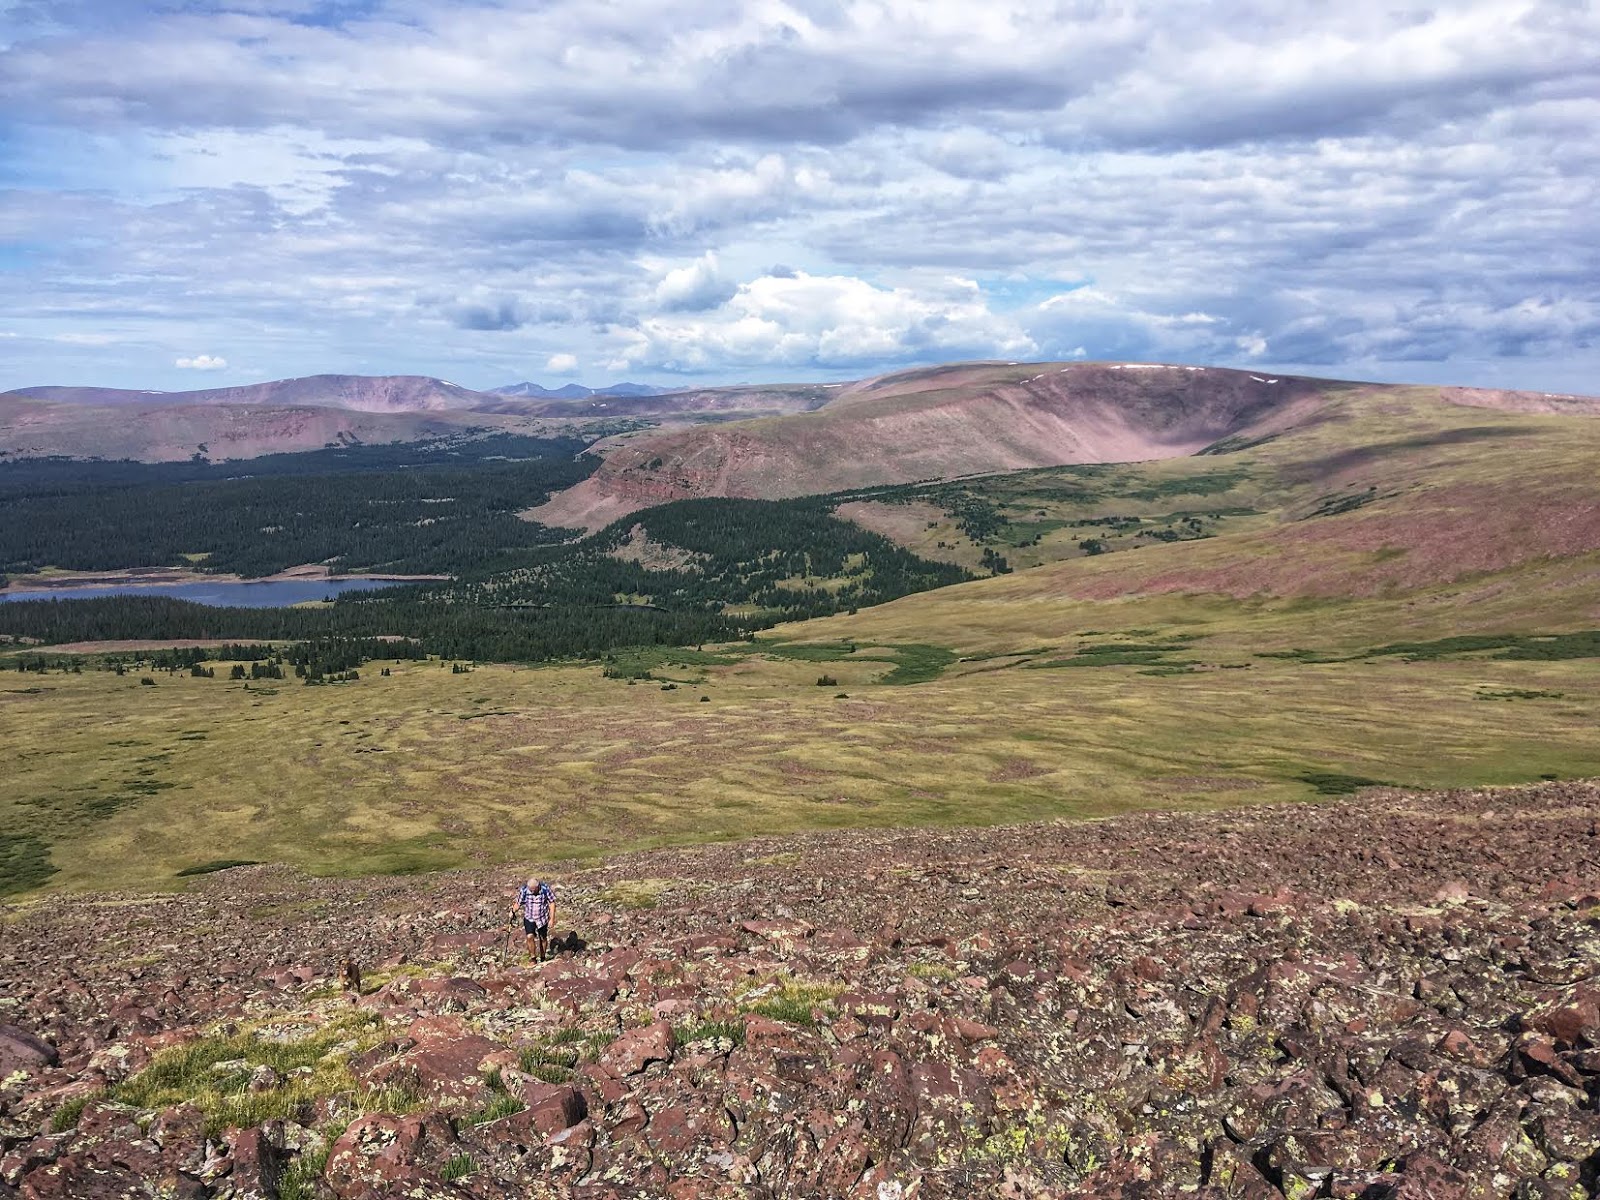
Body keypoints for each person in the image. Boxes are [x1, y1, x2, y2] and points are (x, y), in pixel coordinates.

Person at [512, 876, 555, 962]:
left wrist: (552, 919)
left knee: (543, 938)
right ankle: (533, 958)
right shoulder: (524, 890)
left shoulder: (545, 889)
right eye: (530, 890)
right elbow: (518, 903)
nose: (531, 891)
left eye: (533, 890)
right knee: (529, 936)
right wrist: (512, 911)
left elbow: (552, 903)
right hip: (529, 917)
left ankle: (543, 957)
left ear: (538, 886)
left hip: (542, 918)